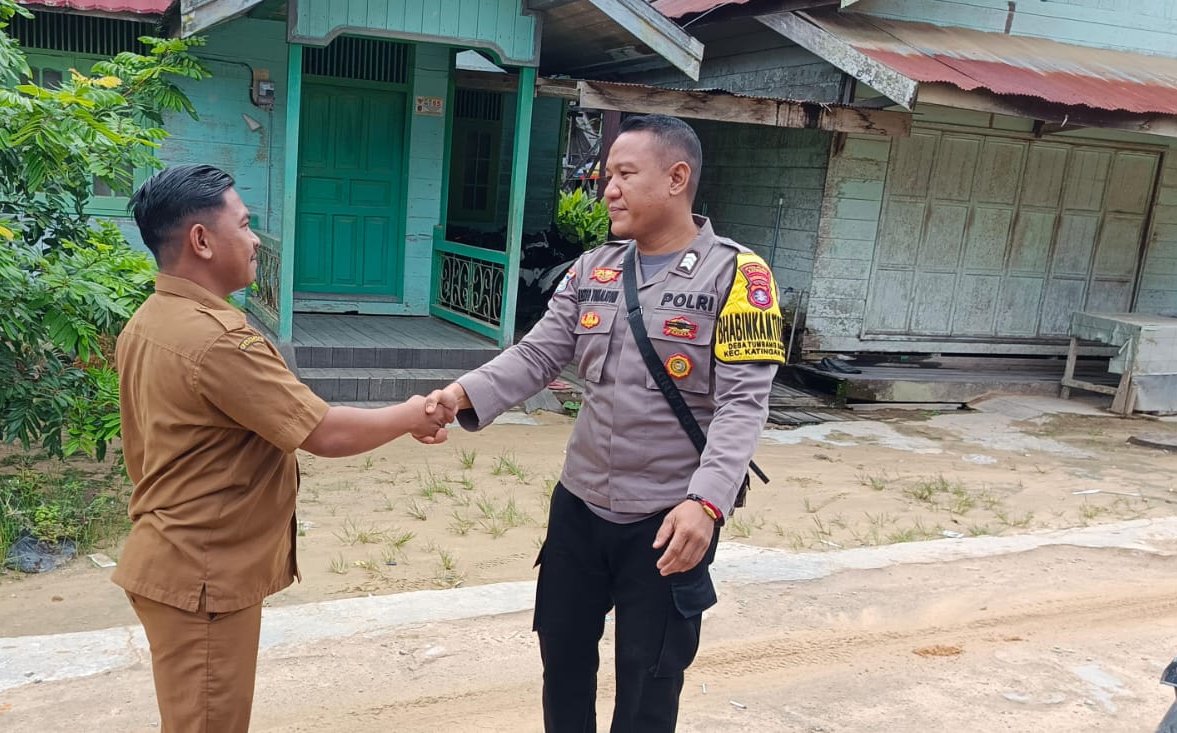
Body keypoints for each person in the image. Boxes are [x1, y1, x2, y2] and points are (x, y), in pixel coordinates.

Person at [426, 114, 784, 732]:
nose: (608, 190)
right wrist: (460, 395)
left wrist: (707, 504)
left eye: (624, 174)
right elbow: (537, 356)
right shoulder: (594, 268)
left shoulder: (738, 277)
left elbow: (742, 405)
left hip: (669, 518)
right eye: (606, 176)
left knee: (649, 681)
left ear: (676, 178)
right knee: (562, 662)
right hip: (580, 507)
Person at [113, 164, 455, 733]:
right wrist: (414, 413)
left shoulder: (150, 320)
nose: (255, 241)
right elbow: (325, 432)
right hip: (203, 577)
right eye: (245, 225)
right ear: (201, 240)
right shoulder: (218, 340)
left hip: (175, 557)